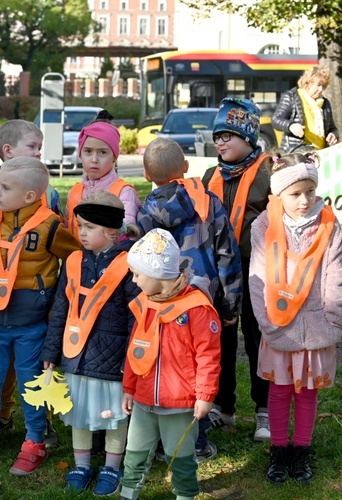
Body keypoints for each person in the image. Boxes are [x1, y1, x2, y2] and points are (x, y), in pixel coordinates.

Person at [0, 157, 78, 476]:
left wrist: (54, 300)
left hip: (32, 324)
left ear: (29, 196)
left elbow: (75, 259)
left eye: (6, 186)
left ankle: (35, 440)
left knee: (31, 382)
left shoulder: (50, 225)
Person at [138, 137, 241, 462]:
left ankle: (156, 439)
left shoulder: (147, 211)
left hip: (159, 304)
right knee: (196, 369)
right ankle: (196, 442)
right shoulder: (208, 203)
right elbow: (228, 257)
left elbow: (141, 259)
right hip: (201, 304)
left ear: (146, 173)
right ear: (184, 168)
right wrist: (230, 306)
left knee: (162, 367)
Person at [0, 119, 64, 447]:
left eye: (5, 189)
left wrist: (46, 291)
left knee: (32, 375)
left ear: (30, 194)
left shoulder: (49, 215)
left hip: (31, 315)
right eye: (32, 147)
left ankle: (38, 432)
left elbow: (70, 253)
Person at [249, 154, 342, 484]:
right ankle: (278, 451)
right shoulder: (262, 226)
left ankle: (301, 451)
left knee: (308, 392)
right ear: (278, 194)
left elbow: (336, 275)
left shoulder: (329, 225)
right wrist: (267, 321)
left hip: (317, 324)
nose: (304, 200)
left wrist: (332, 320)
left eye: (311, 191)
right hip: (278, 324)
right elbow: (257, 276)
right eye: (295, 193)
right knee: (279, 391)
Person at [41, 191, 140, 495]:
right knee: (79, 412)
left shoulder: (128, 264)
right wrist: (51, 351)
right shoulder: (72, 261)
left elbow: (135, 318)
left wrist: (131, 362)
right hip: (76, 354)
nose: (81, 232)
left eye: (89, 227)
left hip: (112, 357)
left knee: (114, 415)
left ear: (111, 231)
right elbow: (60, 307)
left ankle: (112, 466)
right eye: (79, 225)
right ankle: (81, 464)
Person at [120, 228, 221, 500]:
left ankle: (185, 495)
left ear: (157, 275)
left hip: (180, 402)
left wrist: (205, 396)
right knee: (135, 453)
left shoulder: (196, 308)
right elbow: (135, 349)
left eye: (137, 274)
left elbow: (208, 356)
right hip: (143, 400)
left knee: (181, 457)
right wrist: (129, 388)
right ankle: (128, 493)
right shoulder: (144, 303)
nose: (134, 280)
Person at [202, 98, 272, 441]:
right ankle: (222, 408)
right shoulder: (208, 175)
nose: (220, 142)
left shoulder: (268, 170)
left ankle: (264, 410)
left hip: (258, 271)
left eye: (228, 135)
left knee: (259, 339)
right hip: (219, 274)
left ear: (249, 136)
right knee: (221, 339)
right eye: (217, 136)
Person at [66, 111, 141, 239]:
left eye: (102, 152)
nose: (94, 159)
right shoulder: (74, 192)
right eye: (88, 151)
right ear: (80, 154)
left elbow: (128, 238)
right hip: (77, 259)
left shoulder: (124, 193)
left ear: (114, 156)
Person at [271, 66, 339, 154]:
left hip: (321, 152)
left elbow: (332, 128)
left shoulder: (325, 103)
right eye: (318, 85)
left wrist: (334, 134)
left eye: (323, 86)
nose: (321, 89)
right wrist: (290, 126)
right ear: (307, 83)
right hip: (296, 151)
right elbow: (275, 119)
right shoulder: (292, 96)